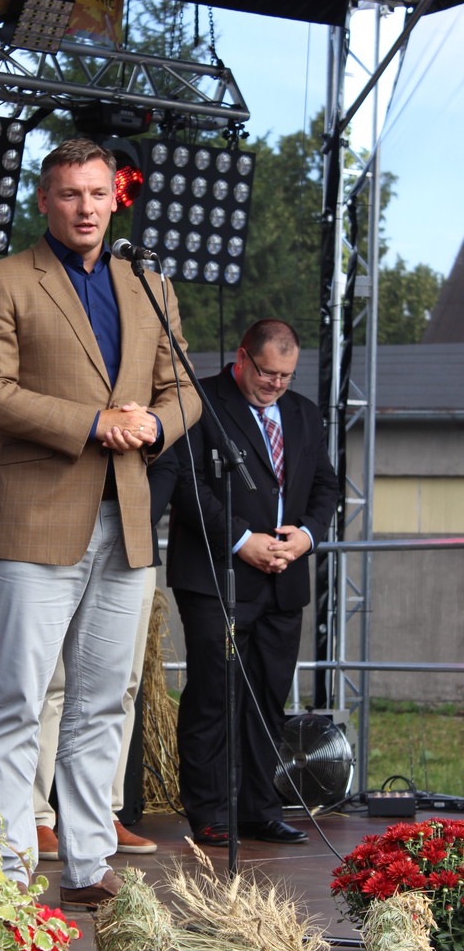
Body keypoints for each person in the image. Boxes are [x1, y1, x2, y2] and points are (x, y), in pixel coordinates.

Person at [0, 138, 201, 909]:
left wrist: (153, 426)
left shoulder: (148, 284)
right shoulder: (1, 280)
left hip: (127, 518)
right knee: (18, 701)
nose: (85, 207)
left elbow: (184, 390)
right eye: (69, 193)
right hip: (38, 519)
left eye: (97, 193)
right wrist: (96, 422)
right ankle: (4, 870)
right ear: (44, 200)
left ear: (114, 198)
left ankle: (88, 862)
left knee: (104, 700)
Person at [167, 318, 338, 847]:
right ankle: (211, 812)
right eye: (267, 373)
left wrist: (305, 536)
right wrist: (243, 540)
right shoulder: (199, 402)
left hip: (284, 579)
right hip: (217, 577)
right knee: (214, 696)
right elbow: (187, 484)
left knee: (267, 698)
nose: (276, 384)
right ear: (242, 358)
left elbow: (326, 485)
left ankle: (261, 809)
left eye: (286, 376)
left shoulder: (303, 413)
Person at [34, 449, 179, 861]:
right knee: (51, 685)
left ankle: (102, 813)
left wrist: (134, 518)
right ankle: (36, 816)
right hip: (59, 535)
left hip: (133, 543)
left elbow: (167, 461)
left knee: (121, 686)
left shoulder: (153, 406)